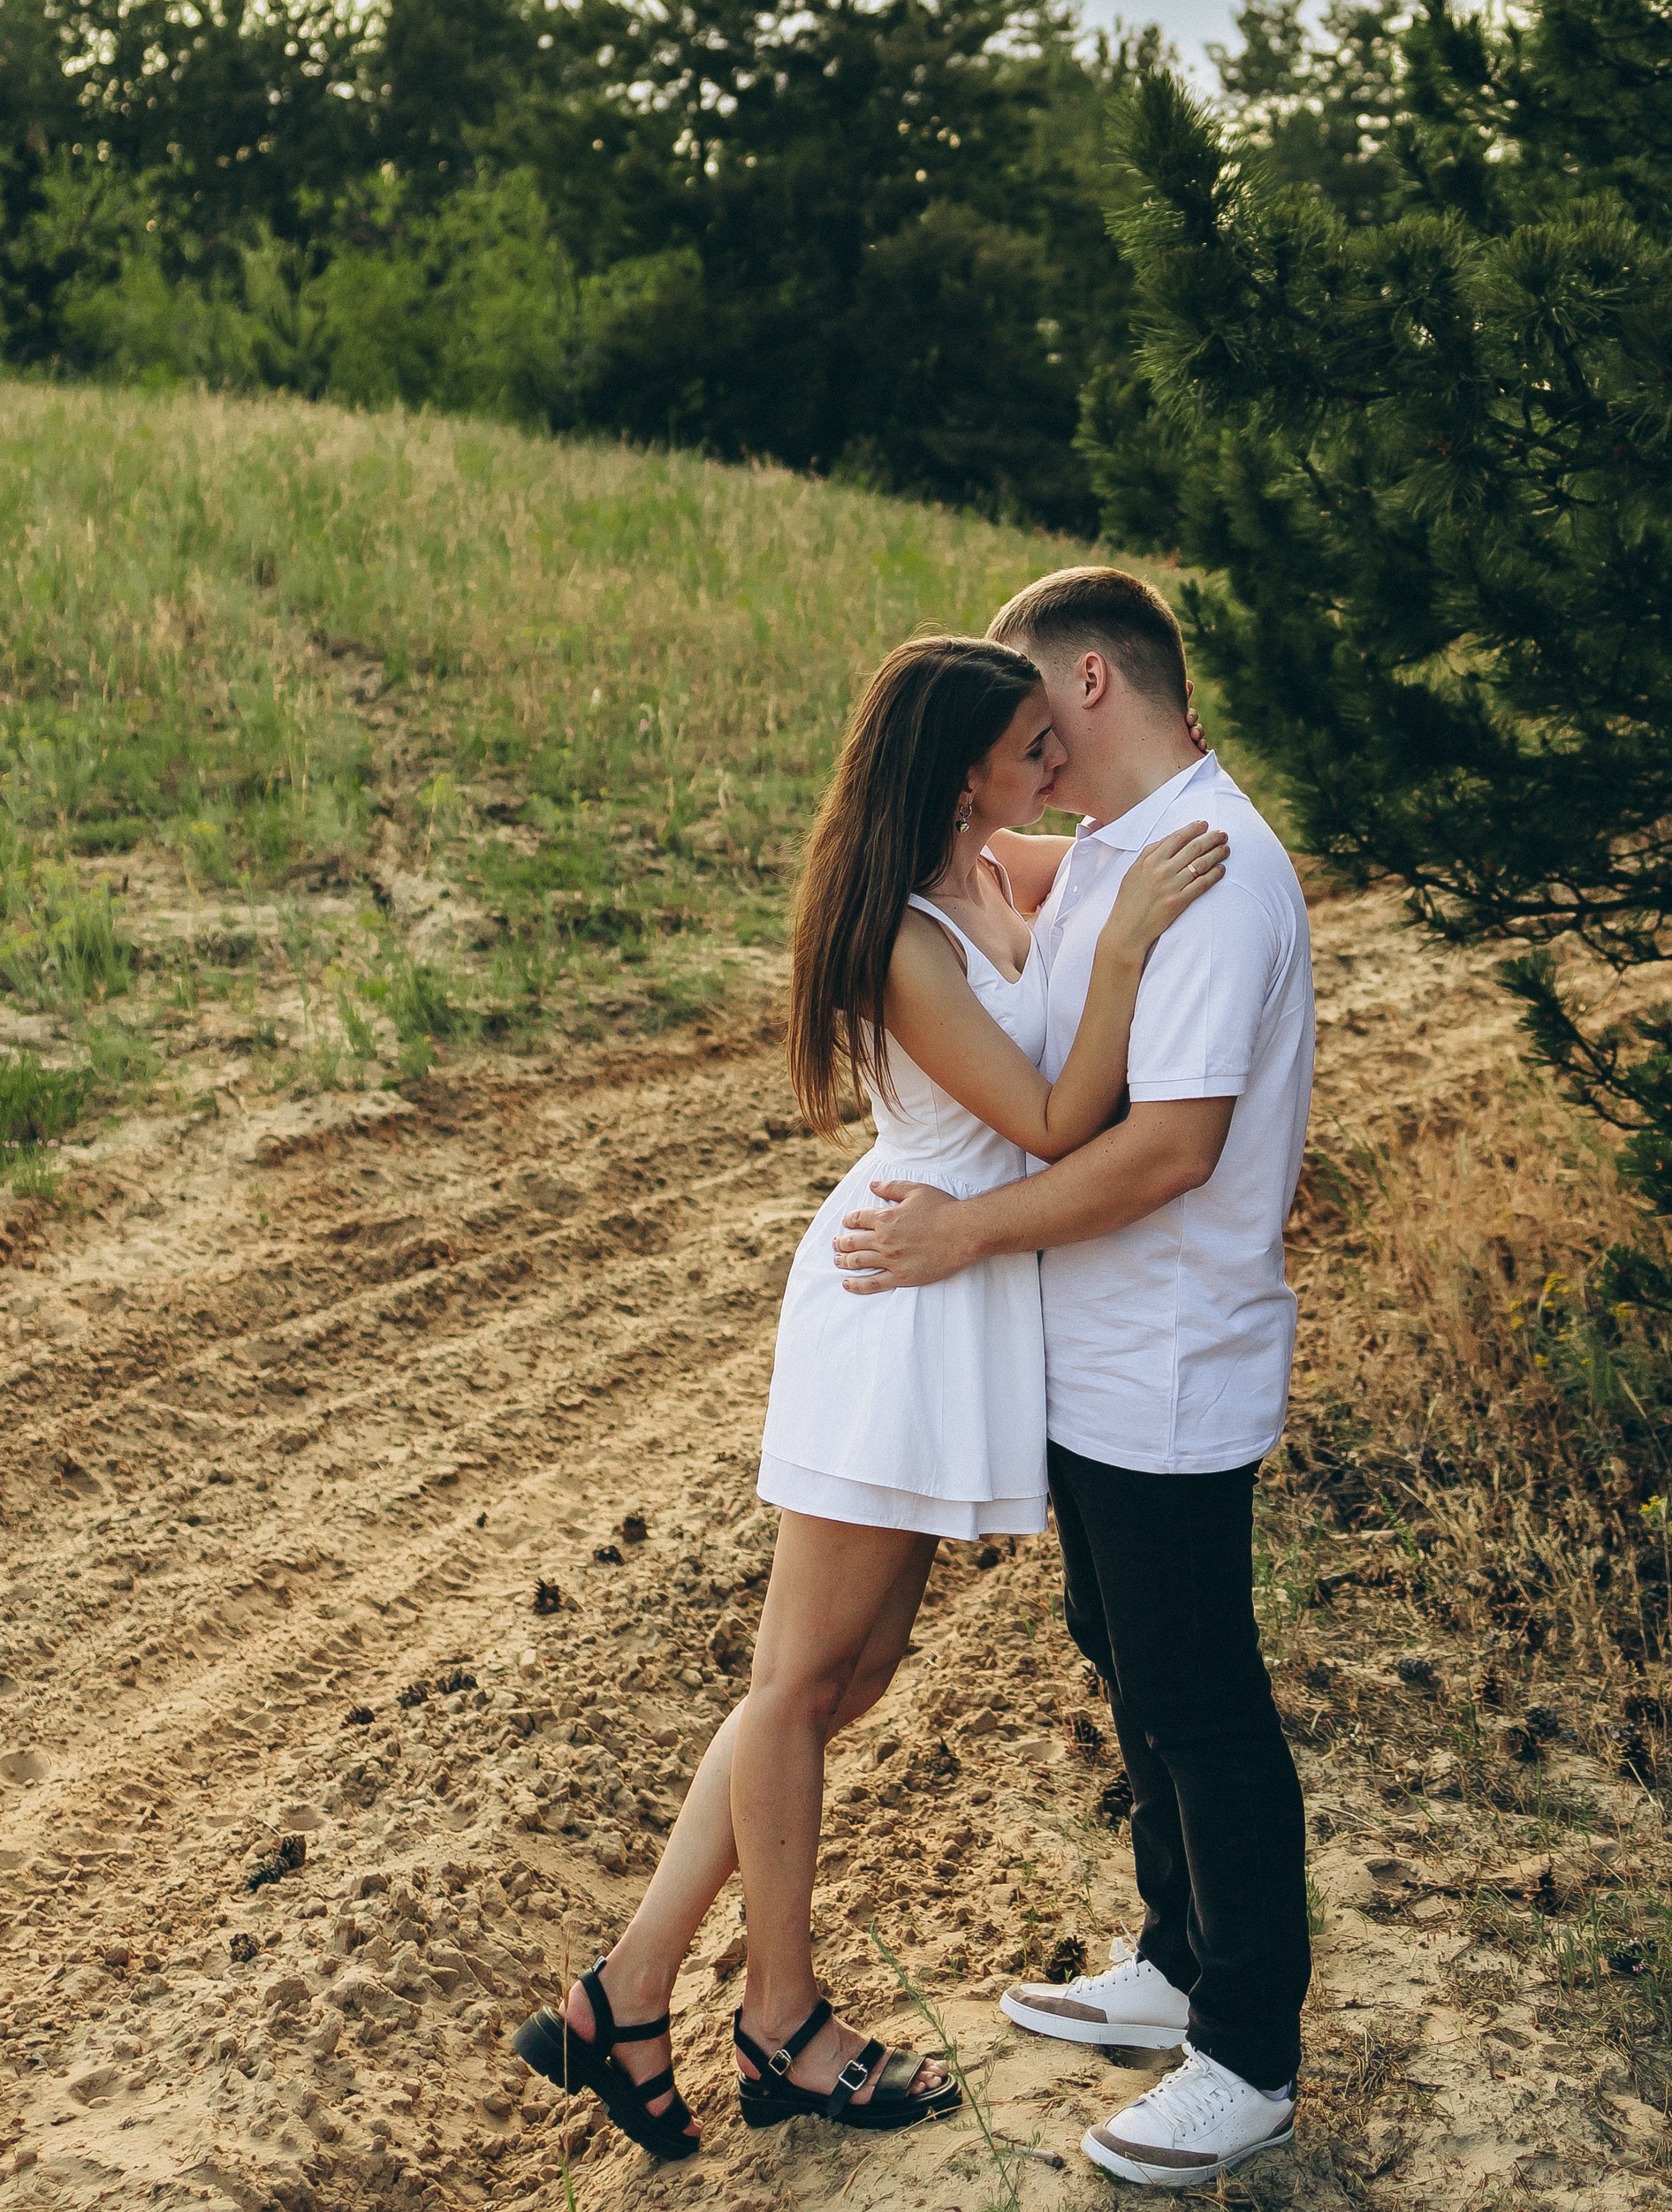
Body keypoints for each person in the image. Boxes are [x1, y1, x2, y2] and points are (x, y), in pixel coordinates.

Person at [512, 632, 1227, 2159]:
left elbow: (1117, 848)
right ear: (961, 766)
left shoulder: (995, 866)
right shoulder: (907, 934)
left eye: (1054, 736)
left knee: (846, 1679)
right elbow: (1048, 1114)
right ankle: (779, 2016)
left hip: (952, 1304)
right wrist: (1117, 962)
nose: (1055, 767)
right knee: (799, 1683)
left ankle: (626, 1994)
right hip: (898, 1299)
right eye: (1031, 747)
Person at [834, 566, 1316, 2193]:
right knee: (1126, 1658)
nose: (1030, 748)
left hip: (1173, 1358)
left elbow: (1169, 1151)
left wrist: (964, 1232)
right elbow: (979, 852)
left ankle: (1246, 2055)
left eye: (1040, 715)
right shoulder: (1115, 851)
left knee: (1203, 1703)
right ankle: (1178, 1958)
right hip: (1093, 1361)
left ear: (1095, 683)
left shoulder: (1218, 873)